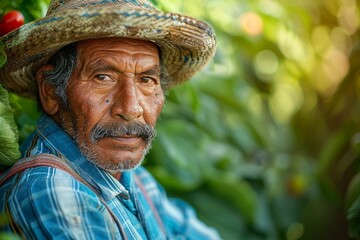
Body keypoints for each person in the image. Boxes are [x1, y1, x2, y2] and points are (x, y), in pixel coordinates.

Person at [0, 0, 219, 239]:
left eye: (146, 80)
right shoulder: (51, 190)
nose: (131, 108)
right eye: (103, 77)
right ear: (50, 91)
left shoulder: (131, 177)